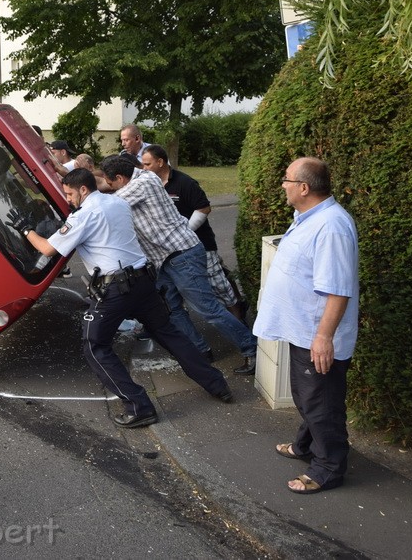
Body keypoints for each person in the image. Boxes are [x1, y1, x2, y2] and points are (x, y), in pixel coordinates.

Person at [15, 168, 233, 428]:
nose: (69, 199)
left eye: (70, 194)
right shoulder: (117, 202)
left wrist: (27, 230)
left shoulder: (84, 216)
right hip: (143, 282)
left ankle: (139, 406)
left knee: (95, 346)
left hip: (115, 290)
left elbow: (48, 248)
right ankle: (218, 385)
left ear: (83, 190)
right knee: (170, 334)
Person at [253, 157, 359, 494]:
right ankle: (305, 446)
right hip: (303, 331)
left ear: (303, 187)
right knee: (307, 396)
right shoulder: (308, 218)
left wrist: (324, 337)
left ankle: (329, 468)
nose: (282, 185)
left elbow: (338, 289)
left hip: (317, 336)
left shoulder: (331, 226)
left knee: (321, 402)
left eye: (286, 179)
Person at [100, 155, 257, 373]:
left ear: (119, 177)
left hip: (182, 255)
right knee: (171, 309)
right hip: (165, 259)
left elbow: (109, 204)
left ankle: (252, 350)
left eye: (111, 184)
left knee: (208, 309)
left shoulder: (144, 182)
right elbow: (104, 188)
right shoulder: (137, 180)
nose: (109, 188)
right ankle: (200, 351)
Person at [141, 144, 247, 322]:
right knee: (177, 289)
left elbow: (204, 208)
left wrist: (185, 232)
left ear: (160, 162)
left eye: (147, 164)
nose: (144, 169)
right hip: (170, 250)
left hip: (201, 243)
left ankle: (239, 314)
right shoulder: (150, 185)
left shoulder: (185, 183)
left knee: (218, 284)